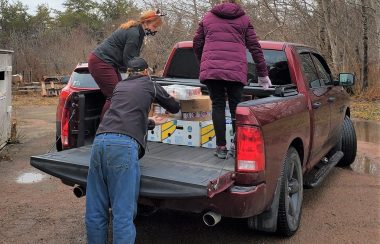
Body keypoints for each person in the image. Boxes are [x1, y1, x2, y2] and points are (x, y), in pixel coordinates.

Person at [85, 57, 180, 244]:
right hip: (123, 146)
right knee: (123, 213)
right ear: (146, 72)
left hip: (100, 142)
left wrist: (150, 122)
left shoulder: (119, 87)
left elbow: (124, 113)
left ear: (129, 72)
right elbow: (174, 107)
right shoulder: (149, 84)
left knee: (95, 209)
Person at [193, 0, 272, 159]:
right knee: (237, 107)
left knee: (218, 105)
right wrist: (263, 74)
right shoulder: (243, 19)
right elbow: (254, 47)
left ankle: (221, 147)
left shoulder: (208, 17)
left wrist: (205, 60)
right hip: (236, 72)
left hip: (213, 71)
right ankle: (237, 146)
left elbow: (197, 42)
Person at [88, 9, 164, 118]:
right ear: (146, 23)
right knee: (116, 97)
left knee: (122, 93)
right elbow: (129, 61)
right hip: (101, 62)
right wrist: (142, 73)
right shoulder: (134, 33)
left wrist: (144, 69)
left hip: (109, 64)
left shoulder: (138, 32)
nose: (155, 30)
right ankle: (104, 128)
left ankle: (118, 125)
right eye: (155, 26)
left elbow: (133, 59)